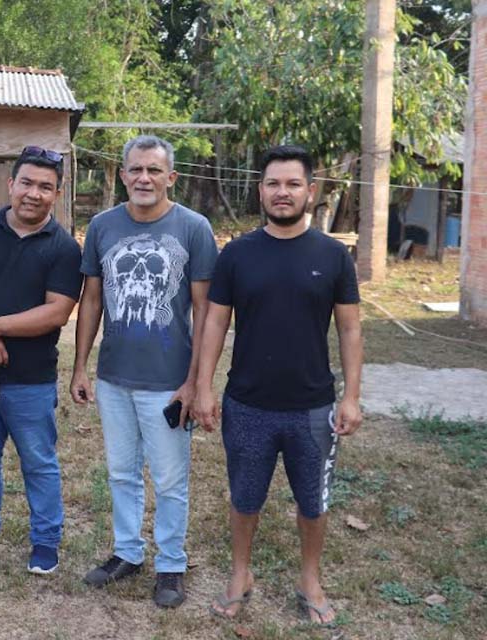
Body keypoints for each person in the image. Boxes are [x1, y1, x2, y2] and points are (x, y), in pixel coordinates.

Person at [192, 144, 363, 625]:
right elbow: (214, 326)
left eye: (292, 184)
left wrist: (351, 396)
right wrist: (203, 388)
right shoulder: (238, 254)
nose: (282, 192)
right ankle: (240, 574)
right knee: (245, 498)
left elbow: (350, 328)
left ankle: (310, 580)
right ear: (261, 189)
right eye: (272, 183)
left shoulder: (333, 256)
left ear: (310, 191)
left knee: (313, 501)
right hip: (248, 403)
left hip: (313, 407)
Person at [70, 135, 218, 607]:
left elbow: (206, 310)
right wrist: (80, 367)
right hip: (114, 378)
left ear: (171, 177)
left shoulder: (193, 228)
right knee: (121, 472)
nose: (144, 178)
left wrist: (195, 382)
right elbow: (91, 299)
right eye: (135, 169)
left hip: (169, 383)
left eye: (154, 170)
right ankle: (128, 553)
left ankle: (171, 564)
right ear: (122, 175)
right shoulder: (101, 226)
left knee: (171, 479)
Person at [0, 146, 82, 575]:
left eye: (45, 187)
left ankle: (46, 540)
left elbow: (56, 312)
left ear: (57, 194)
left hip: (31, 379)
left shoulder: (64, 248)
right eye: (26, 183)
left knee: (39, 462)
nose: (33, 193)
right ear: (9, 185)